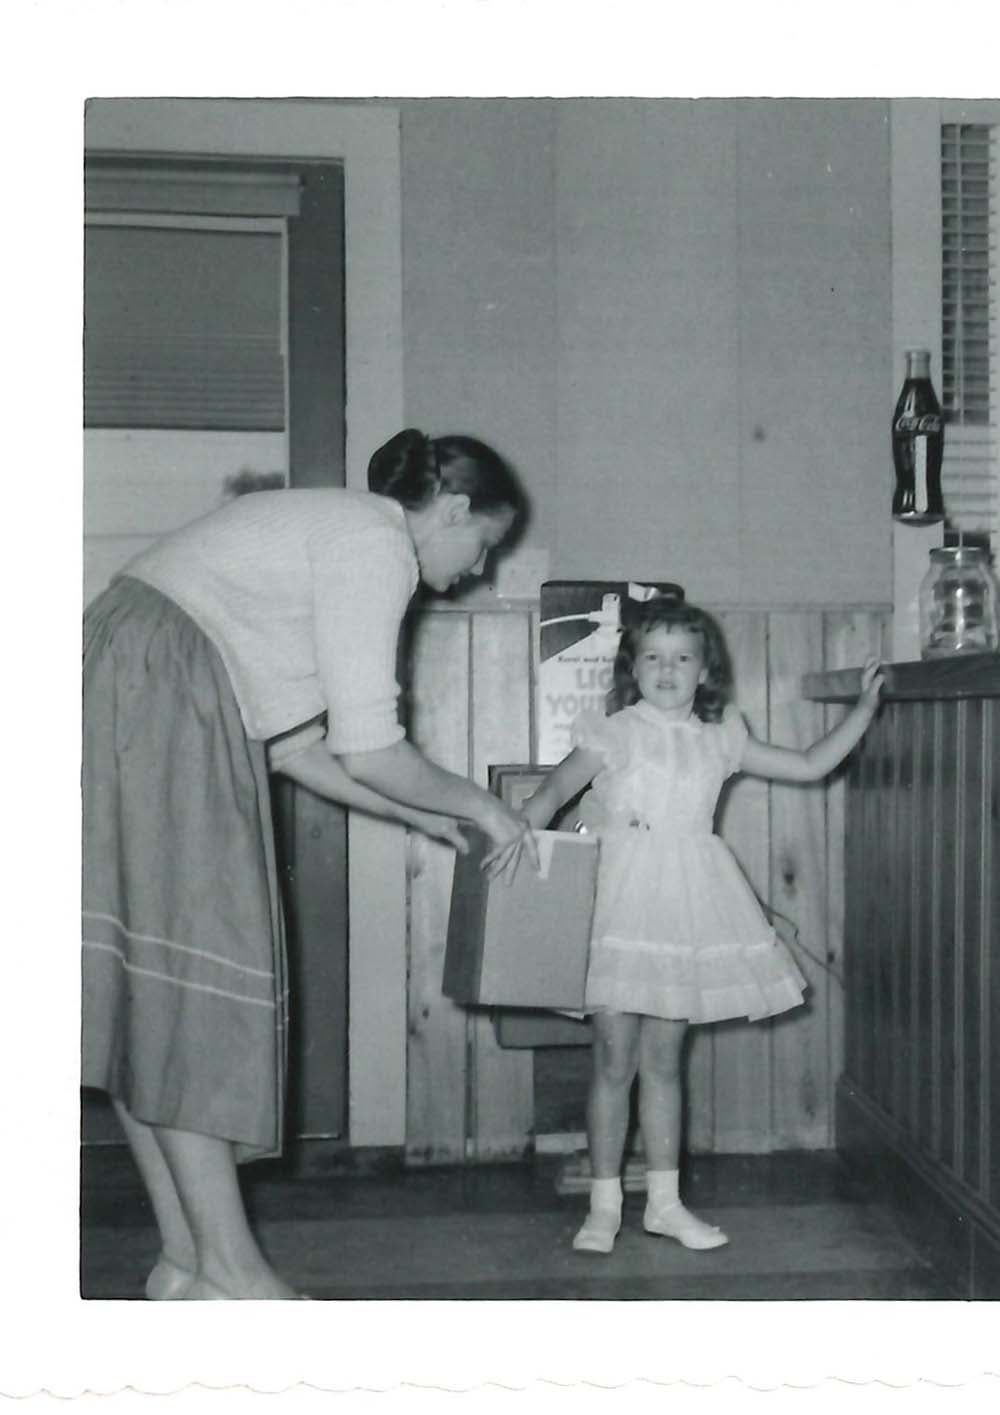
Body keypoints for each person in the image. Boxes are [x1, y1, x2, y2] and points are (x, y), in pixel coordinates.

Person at [81, 428, 538, 1299]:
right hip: (165, 684)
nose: (477, 569)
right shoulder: (376, 543)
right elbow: (371, 746)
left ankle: (186, 1258)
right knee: (188, 990)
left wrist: (424, 819)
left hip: (130, 670)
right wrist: (477, 804)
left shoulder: (330, 528)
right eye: (482, 542)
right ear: (449, 509)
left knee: (150, 992)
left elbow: (299, 747)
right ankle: (238, 1274)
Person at [519, 599, 884, 1253]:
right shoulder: (615, 730)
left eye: (682, 656)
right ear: (633, 664)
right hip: (618, 900)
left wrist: (862, 710)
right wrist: (519, 836)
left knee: (663, 1060)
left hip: (687, 902)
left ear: (703, 669)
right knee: (613, 1057)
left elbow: (807, 765)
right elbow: (552, 793)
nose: (667, 668)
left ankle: (664, 1201)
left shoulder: (723, 735)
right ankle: (604, 1206)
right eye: (653, 655)